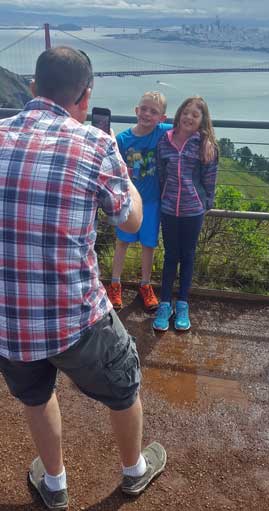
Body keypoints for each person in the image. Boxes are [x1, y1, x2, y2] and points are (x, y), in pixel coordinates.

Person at [0, 46, 166, 511]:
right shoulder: (95, 142)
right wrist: (127, 180)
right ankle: (133, 471)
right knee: (124, 385)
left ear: (33, 88)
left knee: (35, 395)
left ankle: (54, 484)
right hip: (76, 317)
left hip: (8, 318)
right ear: (86, 97)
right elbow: (130, 222)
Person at [153, 96, 218, 332]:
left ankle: (182, 304)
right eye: (186, 112)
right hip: (169, 208)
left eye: (195, 114)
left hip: (193, 210)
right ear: (179, 114)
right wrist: (164, 198)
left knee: (188, 256)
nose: (189, 117)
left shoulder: (204, 144)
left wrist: (205, 203)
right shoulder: (165, 141)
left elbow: (210, 178)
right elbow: (161, 172)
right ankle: (164, 304)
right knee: (171, 256)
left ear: (202, 121)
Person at [107, 92, 172, 311]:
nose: (147, 114)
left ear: (162, 118)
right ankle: (115, 283)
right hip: (129, 200)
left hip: (153, 202)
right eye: (144, 109)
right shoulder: (123, 139)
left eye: (153, 112)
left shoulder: (162, 132)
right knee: (122, 242)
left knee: (149, 245)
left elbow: (185, 127)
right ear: (136, 110)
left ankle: (145, 285)